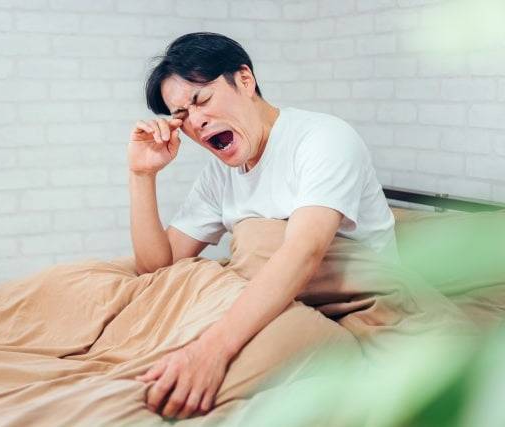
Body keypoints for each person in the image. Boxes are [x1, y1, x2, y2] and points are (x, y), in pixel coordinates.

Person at [127, 32, 398, 420]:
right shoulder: (220, 175)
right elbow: (157, 267)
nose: (196, 121)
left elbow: (304, 252)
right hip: (283, 303)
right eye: (181, 116)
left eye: (202, 99)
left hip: (352, 311)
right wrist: (142, 174)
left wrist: (211, 350)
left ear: (244, 79)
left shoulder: (323, 139)